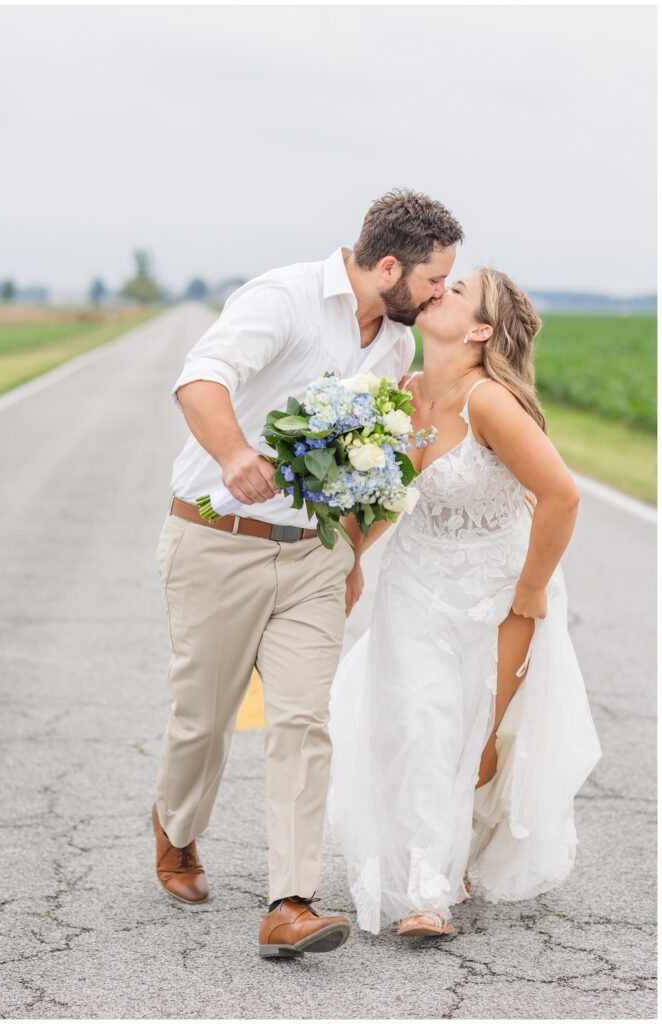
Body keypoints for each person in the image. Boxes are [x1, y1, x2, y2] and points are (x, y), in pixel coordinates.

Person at [152, 189, 464, 958]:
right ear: (388, 265)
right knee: (205, 718)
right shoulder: (283, 298)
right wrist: (233, 455)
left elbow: (368, 463)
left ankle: (289, 901)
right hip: (217, 539)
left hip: (315, 557)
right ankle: (177, 824)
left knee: (301, 721)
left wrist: (350, 551)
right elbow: (201, 380)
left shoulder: (392, 344)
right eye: (431, 281)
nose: (435, 298)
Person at [327, 268, 602, 937]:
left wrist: (530, 591)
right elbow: (391, 493)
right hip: (415, 583)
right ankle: (427, 889)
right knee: (423, 721)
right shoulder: (403, 395)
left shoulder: (490, 404)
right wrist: (352, 559)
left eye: (457, 290)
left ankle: (463, 850)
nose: (438, 290)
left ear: (480, 330)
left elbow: (562, 497)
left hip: (499, 592)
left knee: (478, 744)